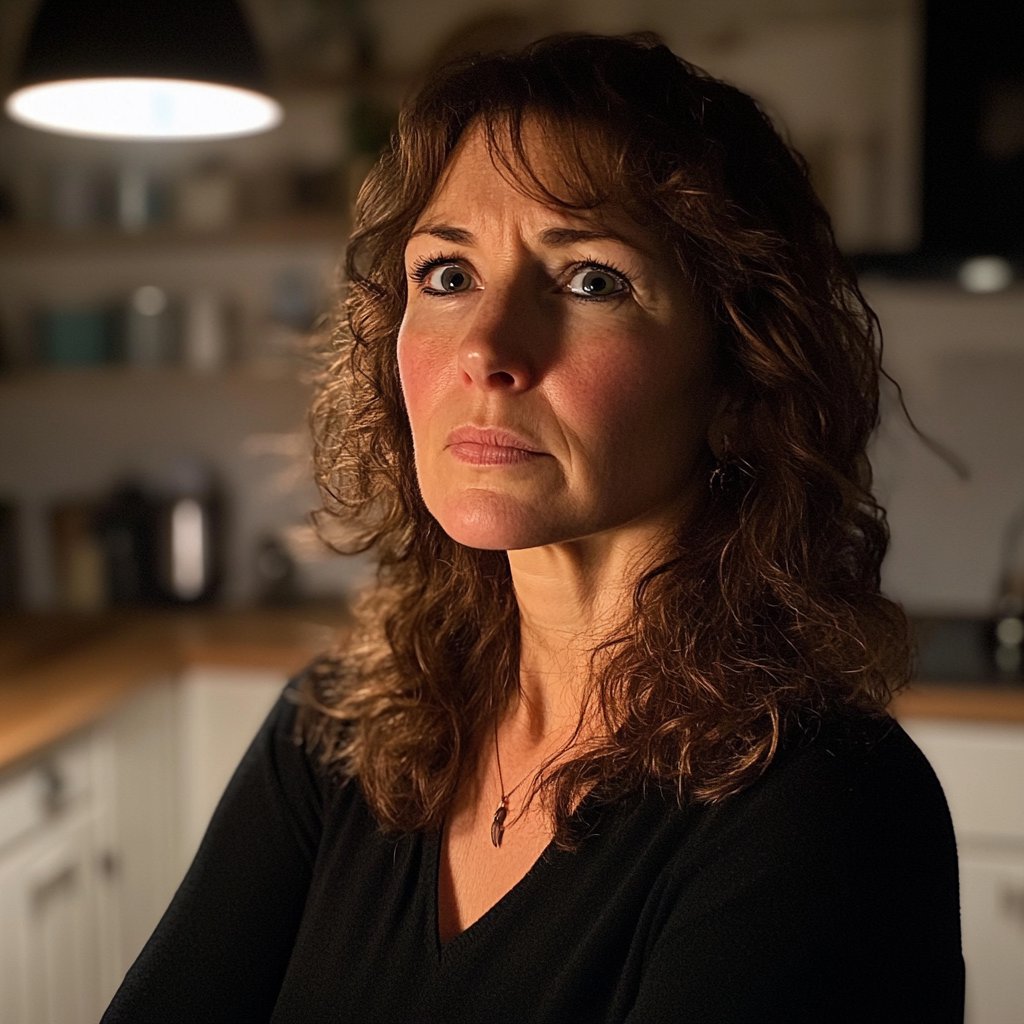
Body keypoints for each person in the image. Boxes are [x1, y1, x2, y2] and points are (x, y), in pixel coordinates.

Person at [102, 33, 964, 1023]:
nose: (485, 349)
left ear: (738, 373)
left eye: (589, 279)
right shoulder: (334, 733)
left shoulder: (823, 811)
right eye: (446, 274)